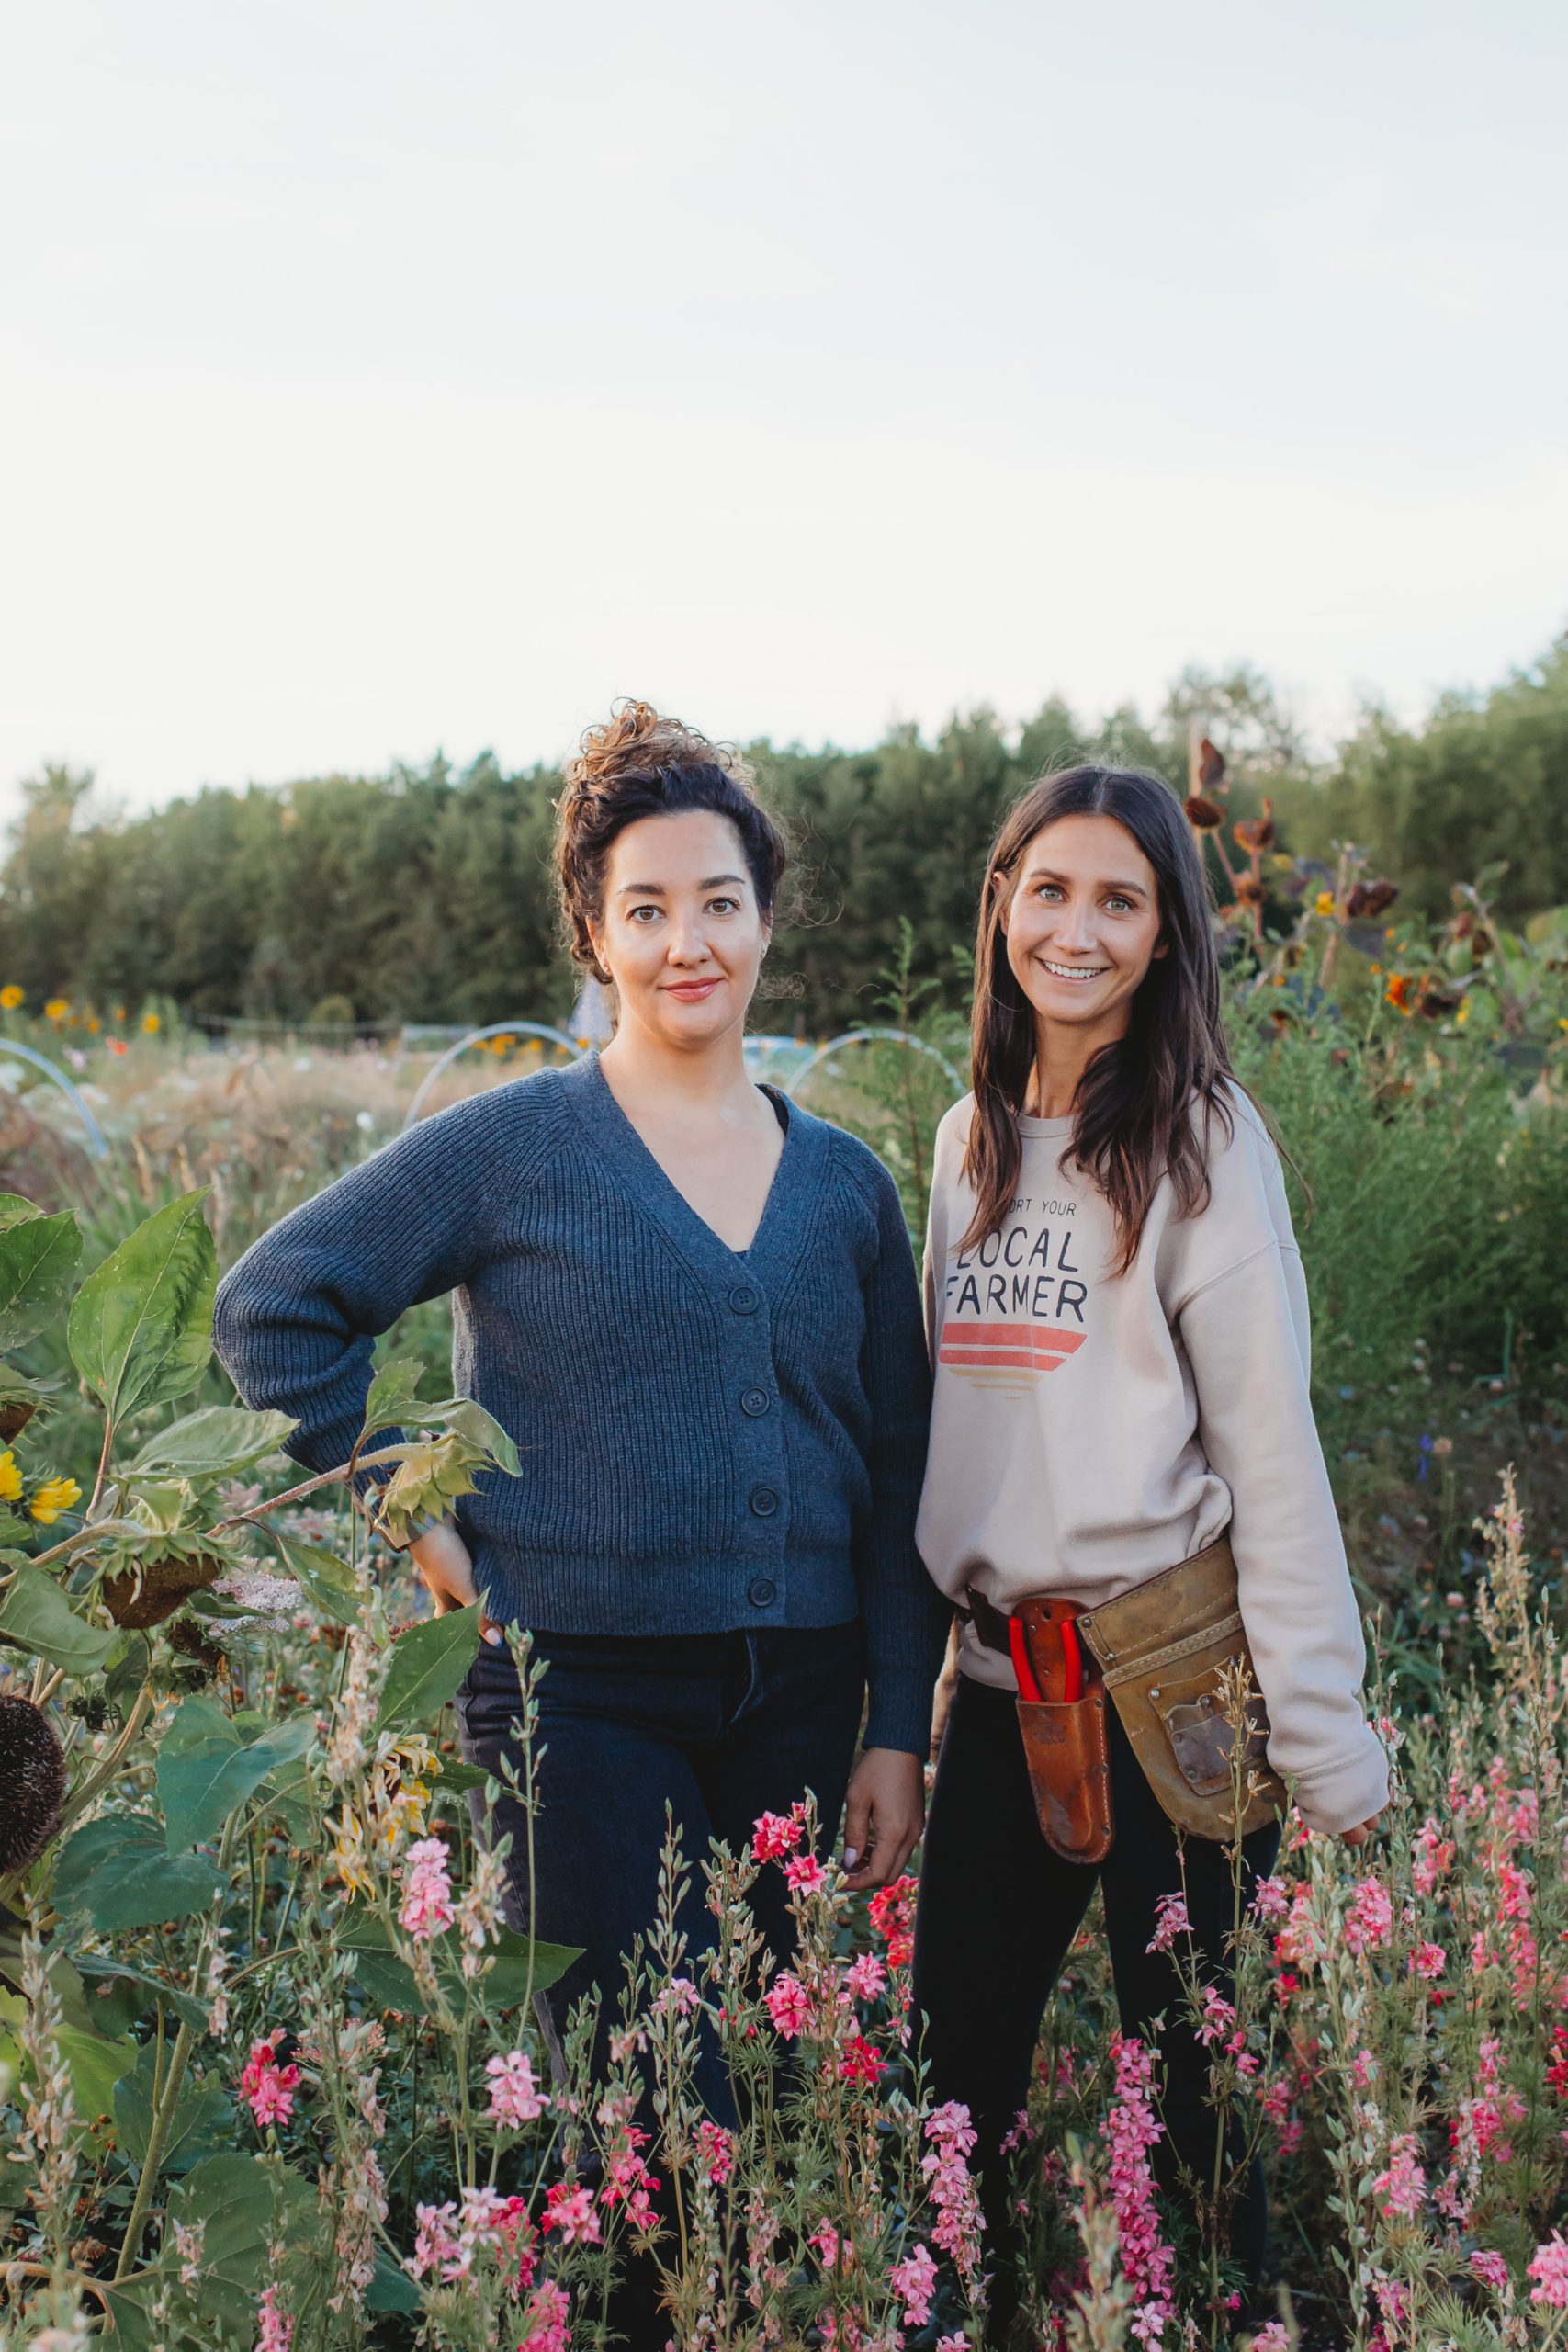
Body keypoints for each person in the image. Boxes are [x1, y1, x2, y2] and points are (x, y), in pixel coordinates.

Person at [213, 701, 949, 2184]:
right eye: (649, 908)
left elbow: (901, 1469)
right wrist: (411, 1511)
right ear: (594, 934)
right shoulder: (514, 1147)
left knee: (800, 2115)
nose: (692, 943)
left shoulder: (849, 1188)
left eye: (721, 904)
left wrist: (889, 1722)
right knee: (649, 2129)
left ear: (763, 924)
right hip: (576, 1699)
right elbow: (275, 1308)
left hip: (801, 1700)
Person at [908, 764, 1389, 2327]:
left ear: (1169, 935)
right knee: (952, 2081)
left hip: (1175, 1684)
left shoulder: (1201, 1144)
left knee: (1194, 2100)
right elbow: (954, 1447)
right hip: (1002, 1689)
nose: (1078, 927)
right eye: (1050, 889)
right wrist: (906, 1710)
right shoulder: (964, 1142)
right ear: (1002, 906)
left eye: (1121, 899)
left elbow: (1273, 1451)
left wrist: (1325, 1733)